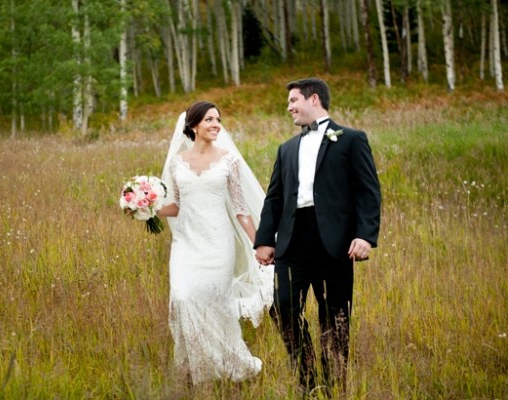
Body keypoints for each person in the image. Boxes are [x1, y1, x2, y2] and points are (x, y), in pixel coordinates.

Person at [254, 78, 381, 392]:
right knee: (282, 306)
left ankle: (334, 385)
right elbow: (274, 198)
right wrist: (265, 239)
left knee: (334, 315)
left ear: (313, 99)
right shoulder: (286, 149)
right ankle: (306, 378)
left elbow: (368, 192)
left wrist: (365, 236)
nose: (289, 108)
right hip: (292, 240)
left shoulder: (351, 139)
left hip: (334, 242)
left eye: (293, 100)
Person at [158, 101, 274, 385]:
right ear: (193, 125)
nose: (216, 125)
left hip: (217, 243)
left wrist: (258, 243)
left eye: (218, 120)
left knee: (214, 302)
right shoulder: (177, 162)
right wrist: (148, 208)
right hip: (186, 244)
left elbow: (240, 208)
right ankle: (198, 368)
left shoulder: (228, 160)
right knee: (183, 298)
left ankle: (231, 364)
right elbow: (177, 205)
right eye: (209, 119)